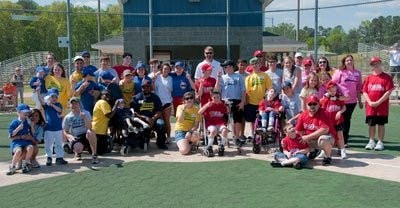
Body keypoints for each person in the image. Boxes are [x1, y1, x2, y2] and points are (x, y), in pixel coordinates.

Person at [363, 56, 394, 151]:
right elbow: (364, 91)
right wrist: (370, 102)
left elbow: (388, 92)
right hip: (370, 106)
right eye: (373, 64)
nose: (375, 65)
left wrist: (378, 102)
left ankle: (380, 142)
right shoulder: (368, 78)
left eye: (377, 63)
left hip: (382, 107)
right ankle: (371, 141)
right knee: (371, 125)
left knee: (381, 124)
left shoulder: (387, 77)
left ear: (380, 63)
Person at [331, 54, 363, 147]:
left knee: (347, 120)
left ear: (353, 61)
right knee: (338, 120)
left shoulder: (357, 73)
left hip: (352, 102)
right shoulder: (340, 72)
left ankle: (344, 141)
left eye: (350, 60)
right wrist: (337, 97)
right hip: (341, 101)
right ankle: (335, 140)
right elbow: (332, 84)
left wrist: (360, 101)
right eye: (347, 60)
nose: (349, 62)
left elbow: (358, 88)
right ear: (344, 62)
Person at [295, 95, 336, 166]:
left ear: (318, 104)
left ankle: (327, 157)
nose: (312, 106)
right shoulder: (303, 115)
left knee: (323, 139)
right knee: (298, 137)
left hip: (327, 138)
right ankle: (313, 151)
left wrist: (307, 137)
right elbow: (298, 131)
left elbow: (324, 130)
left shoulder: (324, 113)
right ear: (307, 105)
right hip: (312, 139)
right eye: (310, 104)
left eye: (314, 104)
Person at [215, 59, 246, 144]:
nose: (224, 69)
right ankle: (224, 138)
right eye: (224, 67)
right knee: (224, 121)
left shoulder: (239, 76)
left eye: (226, 67)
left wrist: (242, 102)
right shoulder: (222, 77)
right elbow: (217, 89)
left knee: (237, 120)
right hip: (225, 101)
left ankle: (236, 137)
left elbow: (243, 91)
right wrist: (218, 77)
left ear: (231, 67)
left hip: (237, 101)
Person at [130, 82, 168, 150]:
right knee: (142, 146)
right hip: (141, 119)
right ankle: (142, 140)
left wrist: (153, 119)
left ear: (150, 87)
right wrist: (145, 118)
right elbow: (134, 112)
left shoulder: (155, 97)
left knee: (161, 124)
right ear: (141, 88)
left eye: (147, 86)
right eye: (143, 87)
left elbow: (159, 111)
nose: (146, 88)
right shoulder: (136, 97)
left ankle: (161, 143)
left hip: (154, 118)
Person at [37, 88, 68, 166]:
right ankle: (49, 157)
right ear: (49, 97)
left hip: (58, 128)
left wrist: (52, 104)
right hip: (49, 128)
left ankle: (59, 157)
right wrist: (38, 93)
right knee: (48, 143)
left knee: (59, 143)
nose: (54, 98)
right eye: (52, 97)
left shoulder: (58, 104)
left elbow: (59, 110)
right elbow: (41, 101)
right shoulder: (46, 106)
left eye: (55, 97)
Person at [63, 97, 99, 164]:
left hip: (86, 135)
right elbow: (65, 130)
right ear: (69, 105)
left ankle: (94, 155)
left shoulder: (86, 113)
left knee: (90, 132)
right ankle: (78, 153)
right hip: (76, 137)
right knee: (78, 148)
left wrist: (85, 118)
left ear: (79, 104)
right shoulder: (68, 117)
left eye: (76, 103)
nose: (74, 105)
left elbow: (90, 127)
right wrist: (69, 136)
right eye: (72, 104)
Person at [244, 57, 272, 139]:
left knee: (263, 119)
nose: (255, 65)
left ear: (260, 64)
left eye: (256, 63)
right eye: (253, 64)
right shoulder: (249, 77)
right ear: (251, 66)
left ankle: (263, 135)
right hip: (252, 102)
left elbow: (269, 88)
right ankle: (254, 134)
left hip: (262, 103)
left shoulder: (265, 75)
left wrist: (266, 98)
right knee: (252, 120)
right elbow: (246, 91)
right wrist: (246, 102)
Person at [320, 81, 347, 159]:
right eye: (331, 91)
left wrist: (340, 112)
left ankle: (342, 150)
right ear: (327, 90)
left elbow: (344, 107)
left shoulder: (339, 97)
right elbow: (322, 108)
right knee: (326, 136)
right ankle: (323, 151)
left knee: (340, 136)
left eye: (334, 91)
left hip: (338, 121)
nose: (333, 92)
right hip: (328, 121)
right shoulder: (325, 98)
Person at [198, 90, 229, 157]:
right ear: (212, 97)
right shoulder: (209, 105)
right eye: (214, 97)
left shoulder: (222, 105)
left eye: (218, 97)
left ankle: (222, 146)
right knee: (213, 130)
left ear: (220, 98)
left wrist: (226, 105)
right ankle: (209, 146)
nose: (216, 99)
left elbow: (228, 112)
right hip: (210, 124)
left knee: (225, 130)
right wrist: (206, 106)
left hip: (220, 123)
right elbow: (199, 112)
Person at [6, 104, 34, 175]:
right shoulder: (14, 122)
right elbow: (11, 135)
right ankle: (12, 166)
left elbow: (32, 133)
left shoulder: (28, 121)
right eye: (24, 112)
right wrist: (18, 129)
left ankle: (26, 164)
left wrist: (31, 126)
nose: (26, 113)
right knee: (18, 151)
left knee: (30, 147)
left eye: (27, 112)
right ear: (19, 112)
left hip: (26, 141)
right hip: (17, 142)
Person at [152, 63, 173, 141]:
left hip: (167, 102)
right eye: (164, 68)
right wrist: (153, 81)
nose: (165, 70)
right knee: (160, 121)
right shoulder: (157, 78)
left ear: (169, 70)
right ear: (161, 69)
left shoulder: (171, 78)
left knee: (167, 121)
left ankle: (168, 137)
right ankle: (161, 137)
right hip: (158, 103)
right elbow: (153, 89)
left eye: (167, 69)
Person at [92, 90, 117, 155]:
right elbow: (109, 115)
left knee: (102, 150)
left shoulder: (101, 102)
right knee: (101, 152)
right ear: (101, 95)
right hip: (99, 129)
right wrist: (116, 106)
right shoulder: (103, 102)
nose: (107, 96)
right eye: (105, 94)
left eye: (108, 94)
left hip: (99, 128)